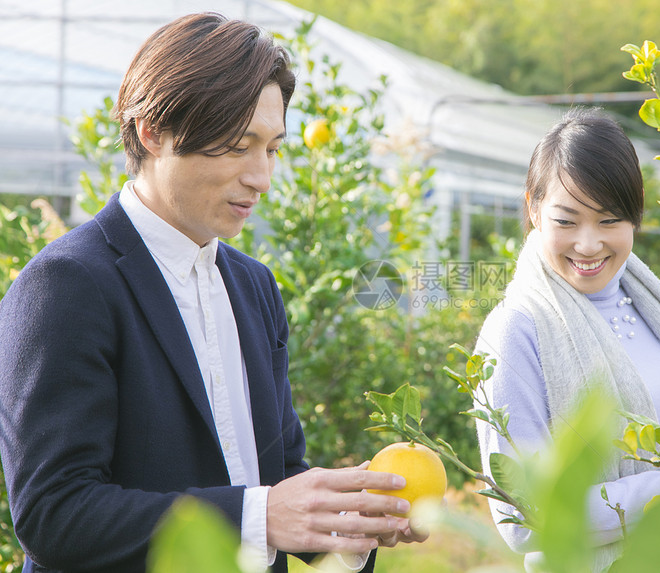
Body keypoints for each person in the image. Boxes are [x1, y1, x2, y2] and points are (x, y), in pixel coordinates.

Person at [0, 13, 424, 573]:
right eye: (237, 146)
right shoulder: (67, 285)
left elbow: (273, 474)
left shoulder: (253, 286)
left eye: (272, 148)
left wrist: (343, 522)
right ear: (152, 131)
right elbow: (56, 515)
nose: (262, 178)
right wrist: (261, 516)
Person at [474, 107, 660, 572]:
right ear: (533, 208)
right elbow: (523, 515)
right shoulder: (517, 331)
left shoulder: (656, 310)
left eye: (609, 221)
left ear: (636, 214)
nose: (588, 245)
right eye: (567, 221)